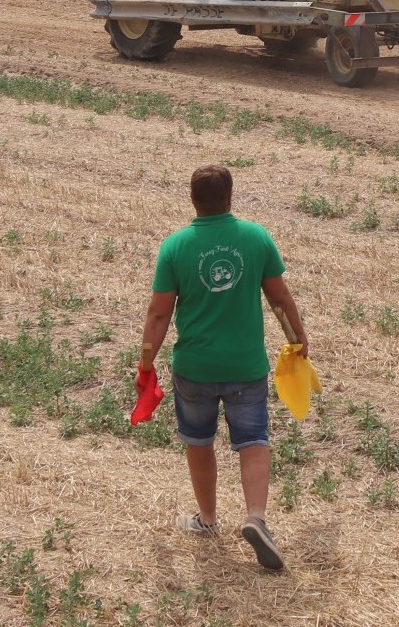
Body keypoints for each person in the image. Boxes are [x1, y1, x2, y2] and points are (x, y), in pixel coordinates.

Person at [136, 165, 308, 571]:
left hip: (194, 368)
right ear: (230, 196)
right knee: (252, 440)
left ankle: (208, 521)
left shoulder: (175, 247)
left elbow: (158, 315)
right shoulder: (255, 237)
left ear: (193, 200)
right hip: (245, 364)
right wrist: (297, 339)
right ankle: (256, 518)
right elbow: (279, 298)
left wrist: (145, 363)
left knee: (199, 441)